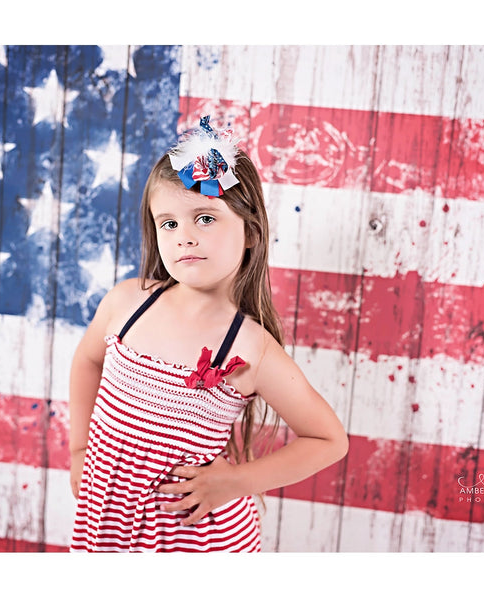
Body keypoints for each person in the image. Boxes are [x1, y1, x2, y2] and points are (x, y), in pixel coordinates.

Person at [69, 115, 349, 552]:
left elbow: (328, 440)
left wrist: (235, 481)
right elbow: (87, 361)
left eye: (204, 218)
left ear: (250, 232)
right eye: (169, 223)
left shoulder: (249, 347)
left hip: (195, 538)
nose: (184, 237)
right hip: (109, 522)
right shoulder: (127, 303)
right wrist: (78, 450)